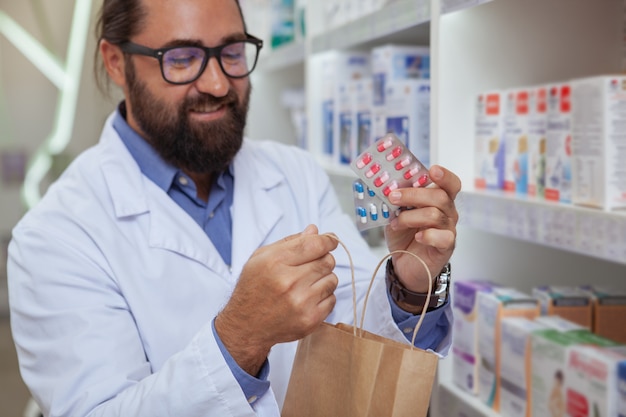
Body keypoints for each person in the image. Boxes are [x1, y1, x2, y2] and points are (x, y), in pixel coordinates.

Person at [7, 0, 461, 416]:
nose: (218, 83)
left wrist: (411, 284)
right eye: (181, 59)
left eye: (232, 52)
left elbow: (359, 332)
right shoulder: (54, 237)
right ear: (116, 63)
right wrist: (241, 336)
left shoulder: (294, 173)